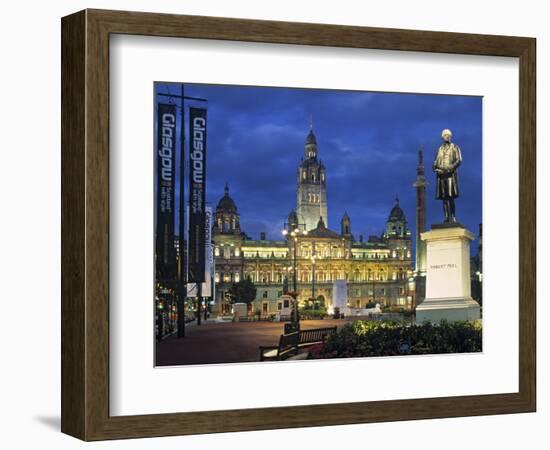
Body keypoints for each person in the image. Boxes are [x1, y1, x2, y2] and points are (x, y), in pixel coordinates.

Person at [433, 129, 462, 223]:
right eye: (445, 135)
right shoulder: (439, 149)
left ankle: (453, 216)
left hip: (450, 175)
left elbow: (459, 160)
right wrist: (437, 168)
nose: (447, 137)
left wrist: (451, 167)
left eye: (448, 135)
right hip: (441, 176)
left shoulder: (455, 147)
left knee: (450, 196)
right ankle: (446, 217)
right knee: (444, 198)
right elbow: (434, 163)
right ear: (442, 137)